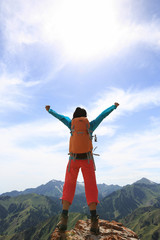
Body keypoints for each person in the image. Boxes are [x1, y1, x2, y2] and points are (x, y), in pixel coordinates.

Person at [45, 102, 119, 234]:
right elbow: (103, 115)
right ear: (85, 117)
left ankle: (64, 221)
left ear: (74, 117)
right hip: (87, 160)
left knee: (69, 186)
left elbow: (61, 117)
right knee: (90, 187)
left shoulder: (71, 124)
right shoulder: (90, 125)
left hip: (73, 159)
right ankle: (94, 223)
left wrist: (50, 110)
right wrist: (113, 106)